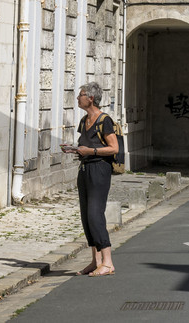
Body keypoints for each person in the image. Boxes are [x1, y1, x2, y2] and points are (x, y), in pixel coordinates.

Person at [68, 82, 121, 276]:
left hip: (99, 170)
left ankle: (108, 262)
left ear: (90, 98)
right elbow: (85, 143)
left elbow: (114, 148)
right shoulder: (84, 121)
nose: (78, 98)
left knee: (95, 214)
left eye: (81, 94)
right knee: (86, 216)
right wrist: (75, 149)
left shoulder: (104, 120)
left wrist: (90, 151)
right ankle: (96, 261)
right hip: (84, 169)